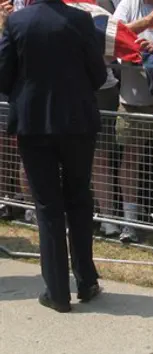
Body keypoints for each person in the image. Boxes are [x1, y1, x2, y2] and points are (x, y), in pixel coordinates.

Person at [0, 0, 107, 312]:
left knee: (48, 207)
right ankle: (86, 280)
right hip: (77, 121)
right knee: (79, 199)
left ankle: (57, 290)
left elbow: (3, 75)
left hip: (34, 123)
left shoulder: (17, 23)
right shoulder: (81, 20)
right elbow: (98, 75)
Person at [113, 0, 153, 243]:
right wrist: (146, 23)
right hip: (131, 98)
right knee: (131, 157)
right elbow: (112, 37)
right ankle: (130, 221)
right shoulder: (128, 4)